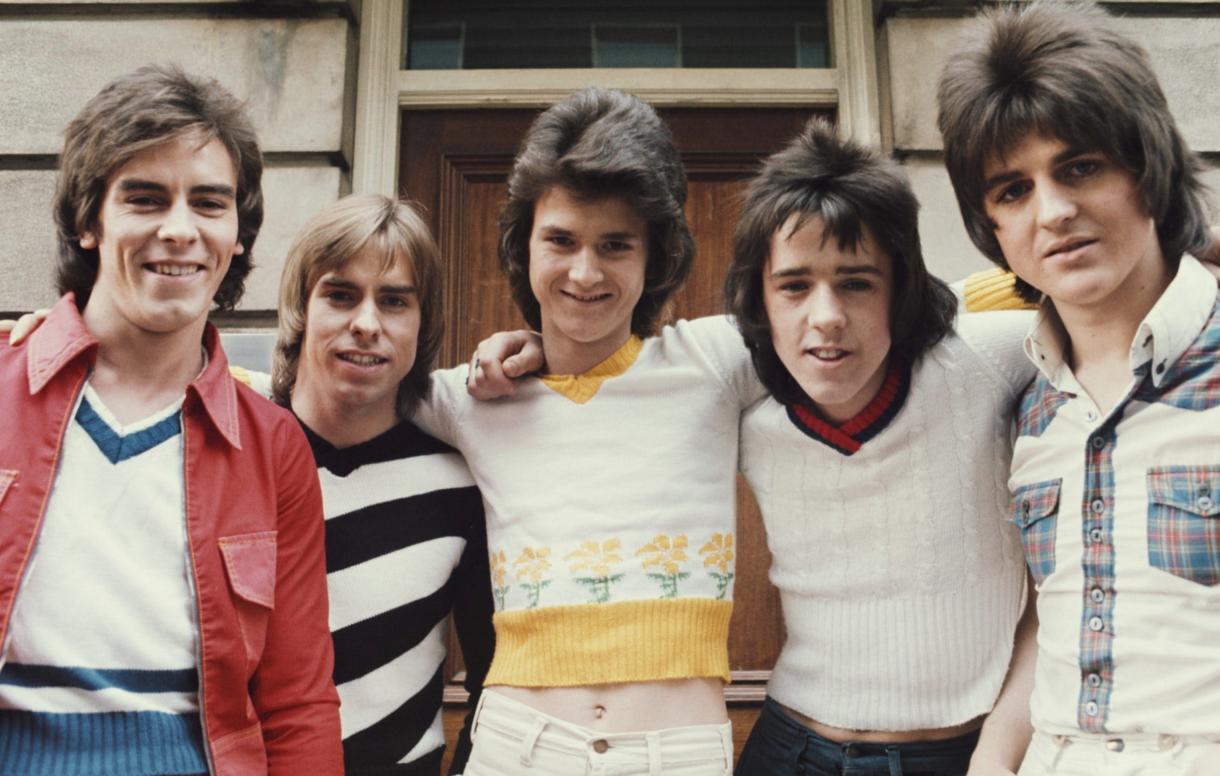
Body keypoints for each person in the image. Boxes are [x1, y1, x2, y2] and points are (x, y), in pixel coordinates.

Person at [0, 64, 341, 774]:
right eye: (145, 199)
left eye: (210, 204)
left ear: (239, 236)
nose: (179, 230)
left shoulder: (273, 447)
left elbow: (297, 701)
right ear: (90, 220)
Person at [415, 87, 763, 775]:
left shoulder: (715, 361)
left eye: (615, 245)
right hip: (515, 746)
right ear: (524, 245)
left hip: (678, 754)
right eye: (561, 241)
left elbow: (892, 310)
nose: (584, 272)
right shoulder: (471, 397)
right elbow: (326, 391)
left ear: (654, 256)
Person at [936, 3, 1220, 775]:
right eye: (1012, 191)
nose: (1054, 212)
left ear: (1148, 167)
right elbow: (1062, 612)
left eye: (1080, 168)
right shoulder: (1026, 398)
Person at [722, 117, 1039, 776]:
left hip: (964, 754)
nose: (827, 315)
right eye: (795, 285)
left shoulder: (988, 360)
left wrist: (1210, 248)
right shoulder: (736, 393)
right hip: (793, 749)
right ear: (760, 297)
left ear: (901, 289)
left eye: (857, 281)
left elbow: (1125, 302)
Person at [265, 194, 494, 776]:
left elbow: (495, 683)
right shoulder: (236, 451)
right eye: (340, 295)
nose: (366, 324)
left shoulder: (461, 485)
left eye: (394, 301)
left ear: (423, 322)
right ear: (300, 307)